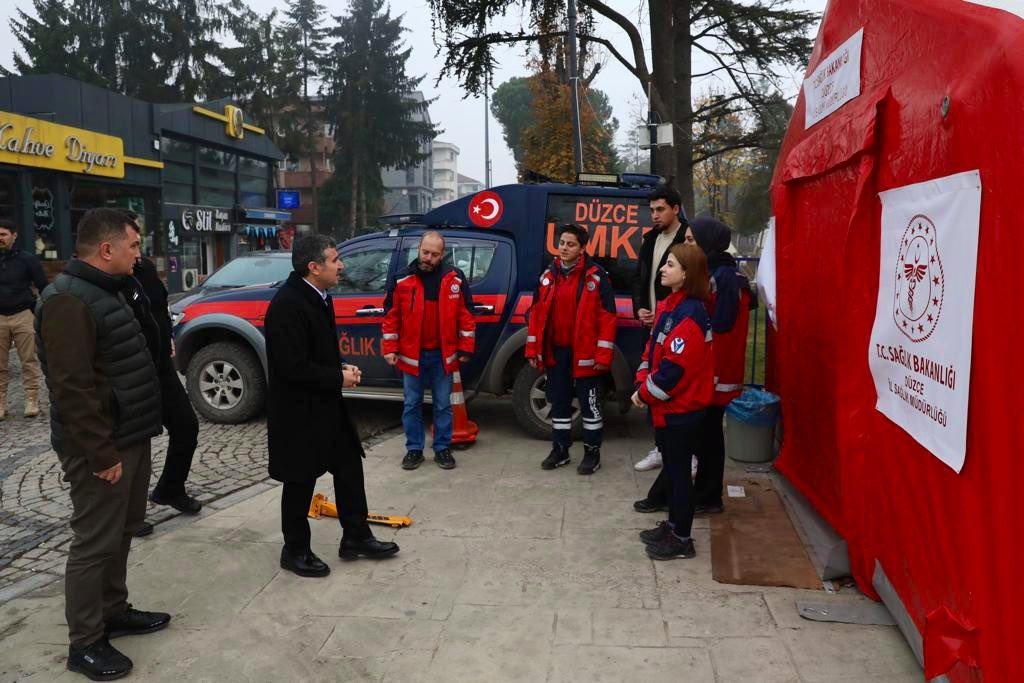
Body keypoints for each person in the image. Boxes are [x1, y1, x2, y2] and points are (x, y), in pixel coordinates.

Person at [35, 208, 168, 680]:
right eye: (134, 246)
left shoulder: (107, 289)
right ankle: (85, 641)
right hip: (102, 446)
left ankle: (114, 610)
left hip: (129, 434)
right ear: (106, 249)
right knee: (94, 541)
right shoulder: (67, 300)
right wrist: (101, 453)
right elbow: (71, 388)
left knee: (125, 528)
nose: (139, 255)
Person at [265, 234, 399, 578]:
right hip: (298, 411)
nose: (342, 265)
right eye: (335, 259)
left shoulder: (320, 296)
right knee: (300, 479)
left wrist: (340, 367)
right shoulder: (287, 305)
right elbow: (292, 366)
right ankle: (294, 550)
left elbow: (318, 350)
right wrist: (337, 378)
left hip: (326, 405)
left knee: (349, 465)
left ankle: (356, 536)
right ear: (314, 267)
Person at [633, 217, 753, 515]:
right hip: (707, 376)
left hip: (712, 377)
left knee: (700, 439)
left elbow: (718, 332)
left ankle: (698, 498)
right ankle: (677, 494)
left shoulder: (721, 282)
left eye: (690, 241)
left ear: (706, 244)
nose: (685, 246)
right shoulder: (717, 277)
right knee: (697, 438)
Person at [632, 243, 714, 560]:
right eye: (665, 263)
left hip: (682, 409)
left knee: (680, 476)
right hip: (667, 408)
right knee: (673, 470)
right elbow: (652, 351)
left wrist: (643, 393)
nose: (663, 269)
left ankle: (682, 539)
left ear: (686, 274)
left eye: (670, 264)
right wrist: (642, 378)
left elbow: (673, 371)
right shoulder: (669, 305)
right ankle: (672, 525)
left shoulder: (691, 313)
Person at [526, 224, 617, 475]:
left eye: (571, 244)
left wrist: (602, 355)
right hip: (556, 353)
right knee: (559, 402)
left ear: (583, 248)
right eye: (562, 243)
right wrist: (534, 350)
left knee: (590, 406)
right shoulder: (548, 275)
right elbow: (535, 314)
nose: (564, 248)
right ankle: (560, 450)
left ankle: (592, 453)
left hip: (585, 354)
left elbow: (608, 318)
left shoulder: (596, 276)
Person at [382, 231, 475, 471]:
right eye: (425, 252)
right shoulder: (401, 279)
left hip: (442, 356)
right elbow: (391, 318)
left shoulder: (455, 278)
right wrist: (390, 348)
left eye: (434, 254)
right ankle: (414, 450)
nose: (428, 258)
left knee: (443, 405)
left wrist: (466, 347)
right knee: (411, 404)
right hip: (411, 356)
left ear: (442, 254)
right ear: (418, 249)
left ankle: (442, 448)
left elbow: (466, 316)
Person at [130, 253, 202, 527]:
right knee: (135, 441)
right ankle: (130, 515)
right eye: (132, 243)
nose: (137, 251)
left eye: (139, 242)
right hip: (133, 369)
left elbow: (159, 307)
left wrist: (169, 336)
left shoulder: (144, 268)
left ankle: (170, 489)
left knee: (186, 426)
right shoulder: (112, 278)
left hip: (161, 365)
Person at [631, 186, 690, 476]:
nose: (654, 215)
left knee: (677, 389)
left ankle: (686, 453)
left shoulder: (689, 238)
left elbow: (693, 282)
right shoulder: (649, 239)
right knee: (653, 386)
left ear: (676, 208)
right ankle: (660, 448)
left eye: (660, 209)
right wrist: (640, 307)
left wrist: (668, 311)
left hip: (678, 326)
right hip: (651, 327)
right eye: (652, 210)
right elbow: (638, 279)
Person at [0, 219, 48, 419]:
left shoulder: (27, 259)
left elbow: (43, 286)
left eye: (3, 234)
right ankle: (1, 402)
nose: (0, 239)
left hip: (23, 314)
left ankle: (31, 399)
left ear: (14, 235)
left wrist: (42, 313)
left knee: (28, 360)